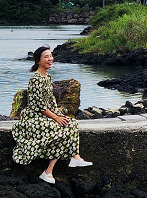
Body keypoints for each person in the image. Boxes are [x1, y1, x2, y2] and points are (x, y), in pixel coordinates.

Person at [12, 46, 93, 184]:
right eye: (46, 57)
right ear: (38, 61)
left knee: (70, 123)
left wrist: (59, 113)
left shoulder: (47, 77)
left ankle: (72, 159)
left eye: (51, 56)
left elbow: (51, 101)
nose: (50, 59)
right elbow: (39, 105)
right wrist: (56, 117)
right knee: (61, 128)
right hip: (34, 116)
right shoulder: (36, 79)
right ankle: (52, 169)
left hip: (46, 113)